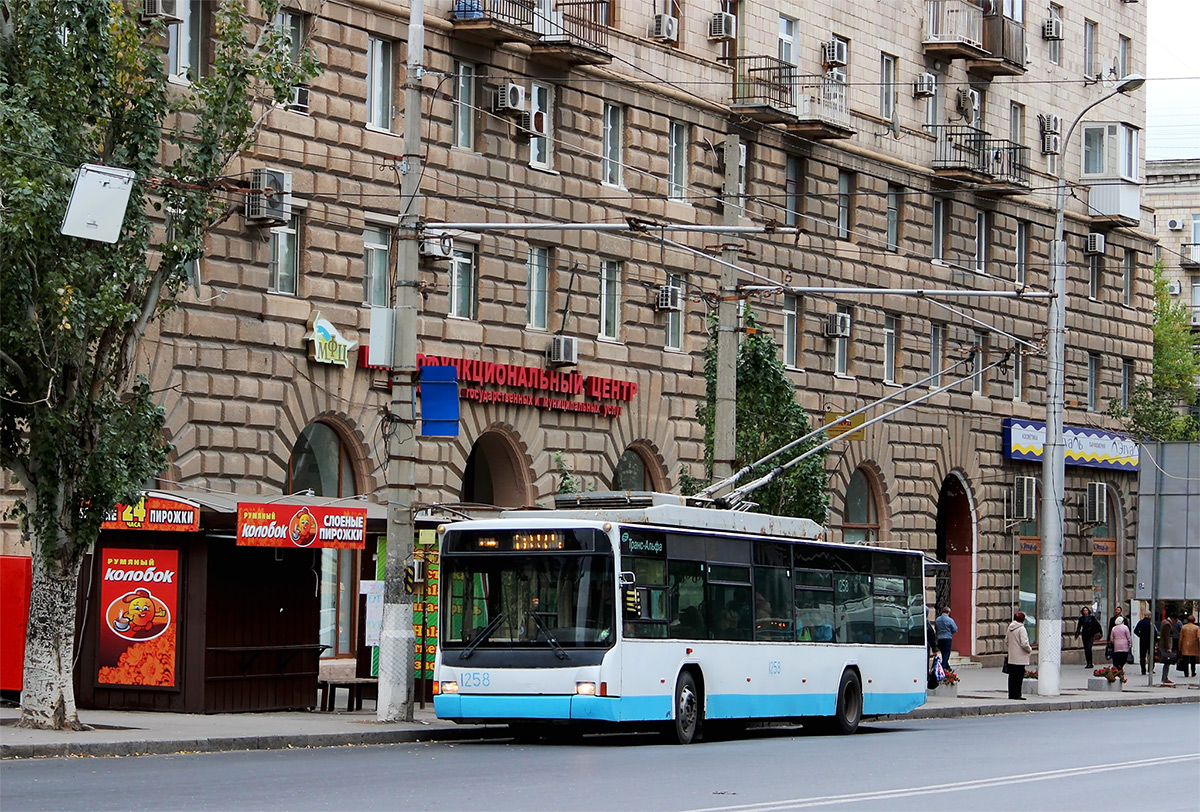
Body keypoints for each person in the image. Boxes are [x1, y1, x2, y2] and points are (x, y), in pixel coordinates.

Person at [1005, 610, 1033, 700]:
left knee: (1012, 676)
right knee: (1019, 676)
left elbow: (1006, 641)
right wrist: (1029, 649)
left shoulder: (1010, 628)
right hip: (1020, 657)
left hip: (1012, 656)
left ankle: (1011, 694)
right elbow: (1024, 643)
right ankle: (1017, 694)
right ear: (1023, 620)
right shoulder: (1022, 629)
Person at [935, 607, 958, 672]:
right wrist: (950, 632)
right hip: (947, 638)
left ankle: (948, 667)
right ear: (948, 612)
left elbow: (936, 628)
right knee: (947, 653)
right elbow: (955, 629)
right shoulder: (950, 620)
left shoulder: (937, 619)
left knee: (943, 653)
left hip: (940, 638)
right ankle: (943, 666)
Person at [1158, 615, 1177, 686]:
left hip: (1163, 645)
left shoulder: (1164, 622)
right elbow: (1166, 636)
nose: (1176, 622)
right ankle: (1164, 678)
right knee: (1167, 661)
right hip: (1165, 646)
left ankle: (1165, 677)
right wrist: (1168, 647)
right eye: (1176, 620)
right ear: (1173, 618)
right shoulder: (1167, 624)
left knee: (1167, 662)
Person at [1179, 615, 1199, 679]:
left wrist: (1179, 646)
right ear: (1194, 620)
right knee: (1193, 660)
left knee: (1185, 660)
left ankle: (1186, 673)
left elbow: (1181, 638)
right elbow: (1198, 637)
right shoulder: (1196, 628)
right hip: (1193, 645)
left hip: (1185, 645)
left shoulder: (1183, 627)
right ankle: (1193, 672)